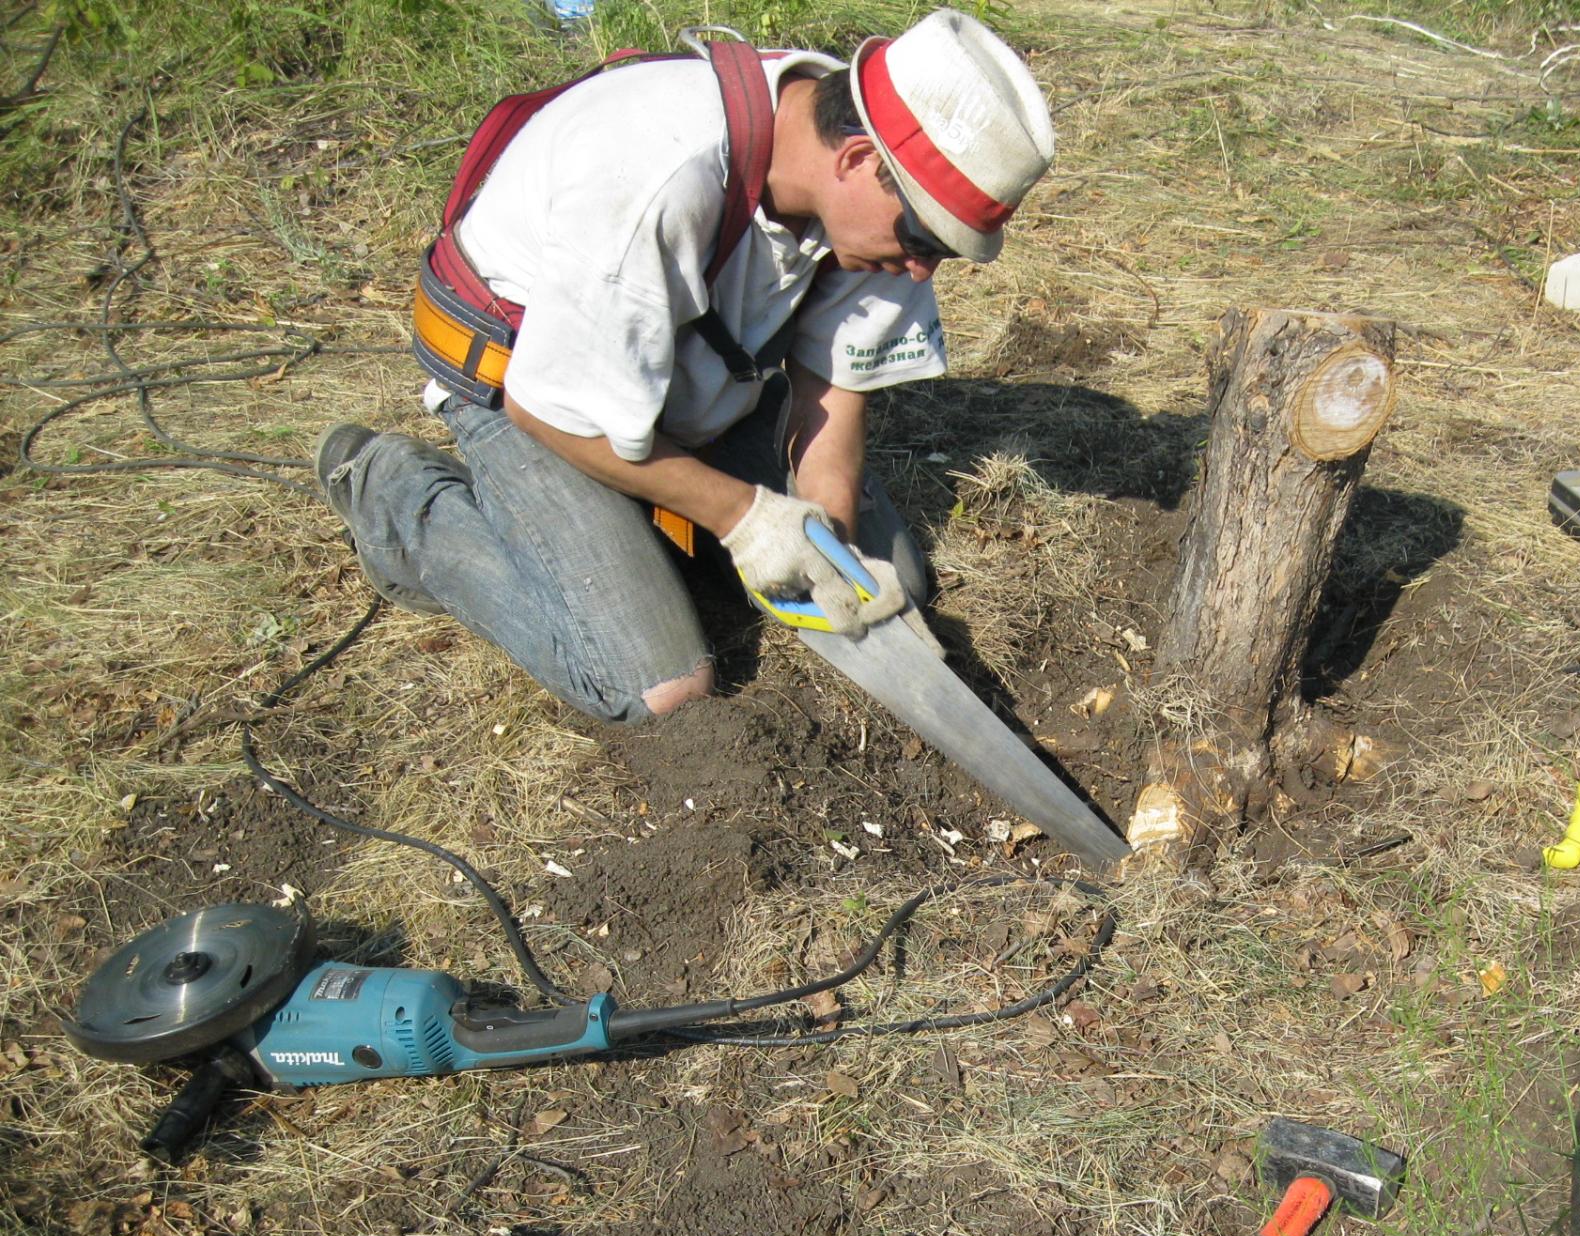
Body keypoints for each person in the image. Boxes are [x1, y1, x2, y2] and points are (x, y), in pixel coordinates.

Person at [313, 9, 1054, 723]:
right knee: (656, 687)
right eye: (925, 238)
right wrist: (747, 517)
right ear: (859, 160)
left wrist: (819, 536)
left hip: (678, 380)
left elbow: (834, 379)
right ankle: (395, 492)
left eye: (946, 250)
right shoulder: (656, 174)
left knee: (892, 586)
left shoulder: (867, 188)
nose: (923, 270)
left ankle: (646, 517)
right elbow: (547, 408)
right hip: (536, 393)